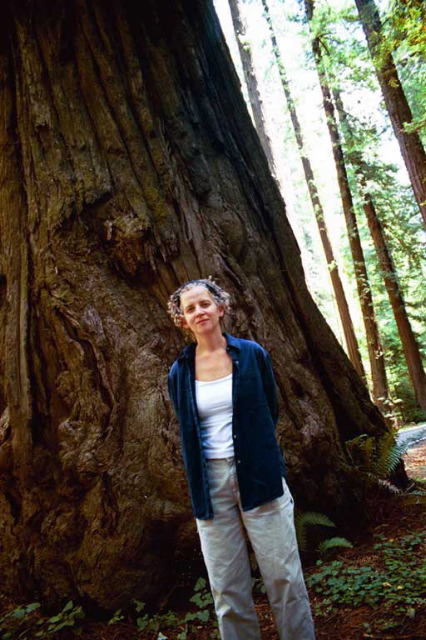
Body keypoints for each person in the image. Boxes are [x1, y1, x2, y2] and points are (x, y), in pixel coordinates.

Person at [167, 278, 315, 640]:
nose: (198, 312)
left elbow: (270, 408)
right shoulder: (179, 372)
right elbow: (187, 427)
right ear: (182, 320)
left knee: (284, 576)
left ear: (220, 307)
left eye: (204, 304)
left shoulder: (252, 354)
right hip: (210, 484)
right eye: (190, 309)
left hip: (259, 475)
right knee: (227, 587)